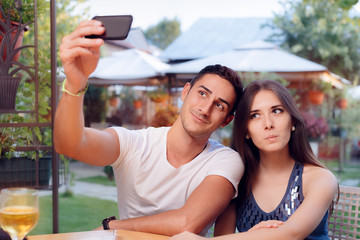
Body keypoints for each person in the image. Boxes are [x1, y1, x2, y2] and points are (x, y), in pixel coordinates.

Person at [54, 20, 244, 236]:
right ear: (185, 92)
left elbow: (186, 222)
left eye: (219, 105)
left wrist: (113, 226)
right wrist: (74, 83)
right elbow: (70, 145)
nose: (205, 108)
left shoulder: (225, 160)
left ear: (227, 120)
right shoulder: (135, 144)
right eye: (202, 93)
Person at [170, 80, 339, 240]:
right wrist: (252, 235)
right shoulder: (237, 182)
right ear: (246, 131)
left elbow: (290, 234)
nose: (268, 124)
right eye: (255, 115)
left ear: (292, 121)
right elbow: (223, 236)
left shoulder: (320, 179)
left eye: (277, 111)